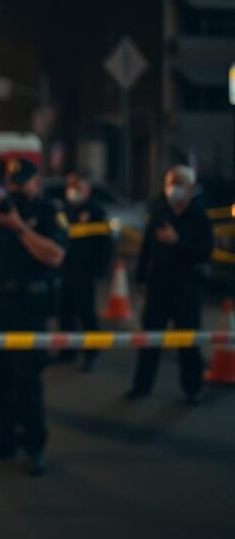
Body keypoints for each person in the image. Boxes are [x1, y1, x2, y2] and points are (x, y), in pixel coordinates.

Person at [0, 158, 67, 477]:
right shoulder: (0, 214)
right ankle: (3, 439)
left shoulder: (49, 211)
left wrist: (20, 227)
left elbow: (55, 256)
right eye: (11, 182)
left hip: (29, 307)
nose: (15, 188)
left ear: (36, 181)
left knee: (27, 381)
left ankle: (34, 446)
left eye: (21, 182)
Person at [126, 165, 213, 405]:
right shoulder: (160, 213)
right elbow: (147, 249)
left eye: (178, 183)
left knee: (188, 341)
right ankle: (141, 386)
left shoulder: (199, 217)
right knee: (150, 339)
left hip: (186, 288)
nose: (173, 189)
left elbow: (204, 253)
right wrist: (141, 278)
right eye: (170, 183)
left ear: (191, 188)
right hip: (158, 287)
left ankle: (192, 388)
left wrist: (178, 242)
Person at [53, 172, 112, 371]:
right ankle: (68, 351)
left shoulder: (96, 212)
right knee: (65, 313)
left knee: (86, 314)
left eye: (78, 187)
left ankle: (91, 354)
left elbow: (105, 246)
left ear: (87, 189)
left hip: (85, 272)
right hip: (65, 271)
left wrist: (99, 272)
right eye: (70, 186)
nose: (73, 190)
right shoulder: (63, 211)